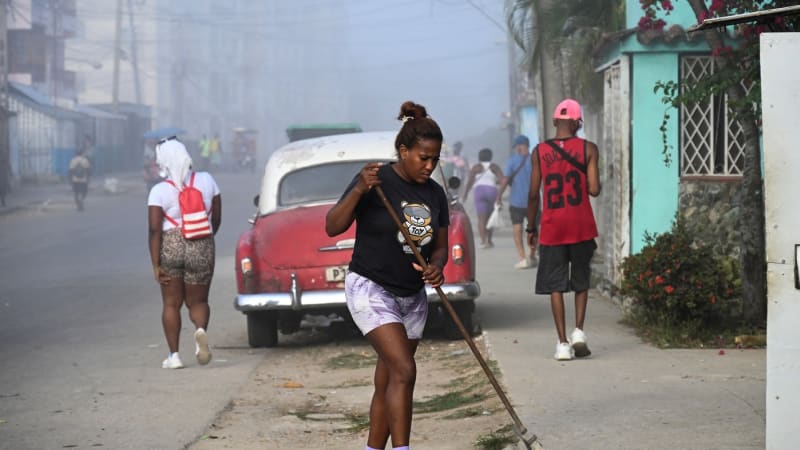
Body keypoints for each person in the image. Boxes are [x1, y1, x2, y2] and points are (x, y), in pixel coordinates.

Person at [325, 101, 448, 450]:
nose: (429, 165)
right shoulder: (376, 180)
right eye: (423, 158)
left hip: (412, 296)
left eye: (435, 159)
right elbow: (332, 226)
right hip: (371, 287)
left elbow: (440, 246)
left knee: (389, 379)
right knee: (405, 371)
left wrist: (437, 267)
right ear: (403, 151)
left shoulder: (436, 193)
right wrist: (359, 189)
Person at [527, 99, 601, 361]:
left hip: (552, 227)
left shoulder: (539, 151)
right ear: (578, 122)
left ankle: (561, 344)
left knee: (555, 285)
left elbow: (534, 194)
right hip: (581, 225)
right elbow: (594, 189)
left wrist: (530, 226)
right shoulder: (589, 149)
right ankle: (579, 331)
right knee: (581, 281)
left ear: (555, 121)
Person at [147, 137, 221, 369]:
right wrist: (206, 239)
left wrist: (156, 264)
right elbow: (217, 217)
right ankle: (200, 332)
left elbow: (154, 229)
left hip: (171, 243)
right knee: (198, 301)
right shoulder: (207, 180)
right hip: (201, 241)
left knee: (171, 303)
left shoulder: (159, 190)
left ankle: (174, 356)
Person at [496, 135, 535, 269]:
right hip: (533, 201)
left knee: (517, 229)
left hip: (516, 202)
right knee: (533, 230)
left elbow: (506, 181)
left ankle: (523, 257)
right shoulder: (535, 160)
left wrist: (499, 196)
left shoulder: (512, 161)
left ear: (520, 146)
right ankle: (532, 254)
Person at [463, 148, 505, 248]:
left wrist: (465, 194)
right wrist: (499, 193)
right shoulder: (494, 167)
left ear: (479, 157)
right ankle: (489, 240)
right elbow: (502, 180)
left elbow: (469, 182)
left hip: (479, 191)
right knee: (490, 217)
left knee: (481, 219)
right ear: (491, 156)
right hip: (492, 191)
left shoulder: (476, 167)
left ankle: (483, 241)